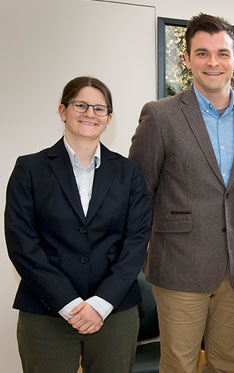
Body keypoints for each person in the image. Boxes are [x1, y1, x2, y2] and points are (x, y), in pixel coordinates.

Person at [129, 13, 234, 373]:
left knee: (229, 364)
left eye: (222, 53)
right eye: (203, 53)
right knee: (178, 365)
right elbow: (139, 192)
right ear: (188, 59)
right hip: (180, 265)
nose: (213, 62)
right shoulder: (160, 116)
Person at [4, 76, 152, 372]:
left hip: (113, 312)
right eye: (80, 105)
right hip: (46, 311)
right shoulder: (29, 169)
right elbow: (22, 244)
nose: (89, 114)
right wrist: (68, 303)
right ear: (63, 111)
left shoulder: (129, 172)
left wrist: (100, 304)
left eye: (99, 109)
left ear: (109, 119)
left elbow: (136, 241)